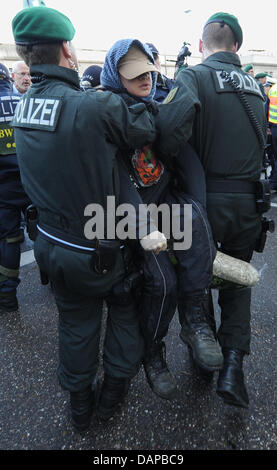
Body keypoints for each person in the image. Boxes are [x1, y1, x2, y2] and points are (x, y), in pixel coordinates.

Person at [11, 5, 165, 432]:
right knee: (124, 316)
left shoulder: (24, 106)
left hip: (51, 245)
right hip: (101, 247)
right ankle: (110, 399)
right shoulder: (89, 106)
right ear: (66, 49)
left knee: (76, 326)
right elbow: (145, 126)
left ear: (27, 55)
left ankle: (80, 410)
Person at [156, 12, 267, 408]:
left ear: (202, 45)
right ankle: (234, 364)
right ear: (237, 46)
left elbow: (167, 132)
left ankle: (204, 360)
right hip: (248, 204)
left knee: (197, 273)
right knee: (237, 280)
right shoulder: (258, 87)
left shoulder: (194, 77)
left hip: (203, 203)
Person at [101, 39, 223, 397]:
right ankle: (153, 355)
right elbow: (117, 183)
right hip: (132, 219)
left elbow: (187, 163)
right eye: (134, 75)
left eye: (149, 72)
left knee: (196, 225)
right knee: (163, 283)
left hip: (165, 208)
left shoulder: (158, 111)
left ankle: (196, 322)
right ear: (115, 76)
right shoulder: (107, 118)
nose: (145, 80)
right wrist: (141, 227)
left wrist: (194, 209)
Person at [0, 63, 31, 313]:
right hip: (32, 183)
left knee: (9, 240)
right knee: (41, 232)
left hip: (4, 190)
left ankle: (8, 295)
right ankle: (56, 282)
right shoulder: (24, 102)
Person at [266, 82, 277, 190]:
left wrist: (267, 126)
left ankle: (273, 179)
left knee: (274, 155)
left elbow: (267, 108)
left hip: (273, 128)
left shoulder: (273, 89)